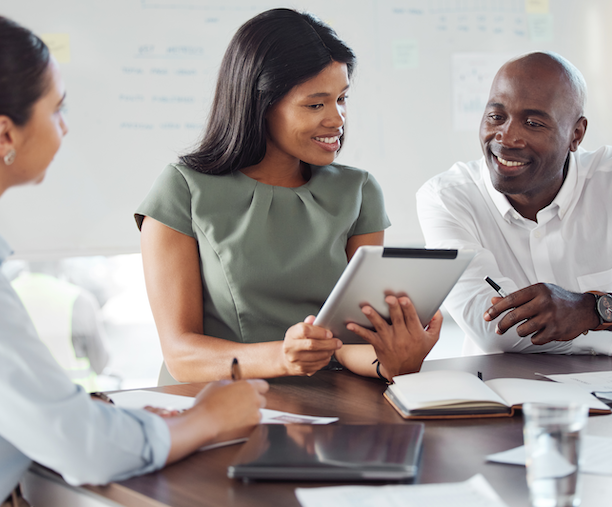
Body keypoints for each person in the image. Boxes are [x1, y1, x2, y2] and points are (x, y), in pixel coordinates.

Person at [0, 15, 268, 507]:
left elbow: (18, 403)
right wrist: (208, 418)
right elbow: (79, 445)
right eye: (57, 108)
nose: (66, 126)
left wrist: (120, 423)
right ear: (3, 136)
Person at [137, 8, 440, 385]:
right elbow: (181, 355)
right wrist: (283, 356)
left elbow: (349, 343)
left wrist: (392, 360)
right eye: (316, 104)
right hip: (218, 405)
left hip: (327, 402)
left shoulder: (357, 191)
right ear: (261, 105)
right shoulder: (183, 190)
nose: (337, 118)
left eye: (341, 99)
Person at [416, 51, 612, 365]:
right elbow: (495, 329)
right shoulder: (446, 197)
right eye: (495, 116)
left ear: (576, 134)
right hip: (507, 402)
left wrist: (591, 308)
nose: (507, 136)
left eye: (533, 123)